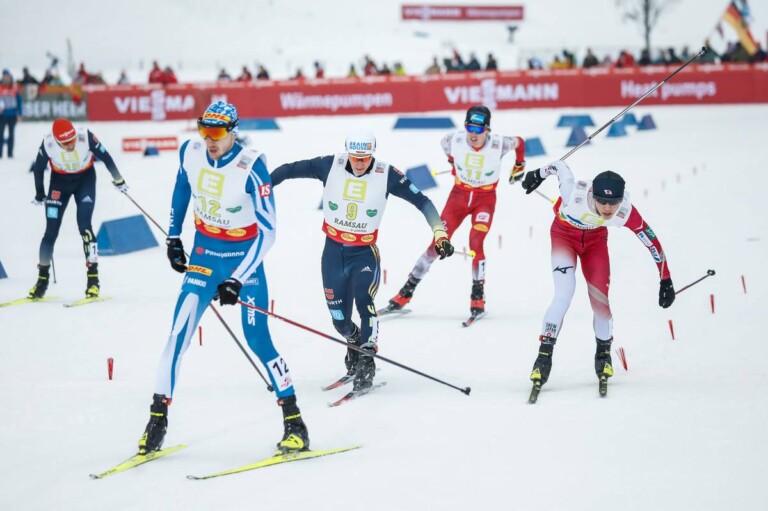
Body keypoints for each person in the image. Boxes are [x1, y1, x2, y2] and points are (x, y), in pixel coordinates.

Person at [137, 101, 310, 455]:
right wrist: (173, 236)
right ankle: (157, 421)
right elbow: (182, 188)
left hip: (244, 260)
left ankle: (295, 422)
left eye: (216, 133)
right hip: (204, 256)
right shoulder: (190, 152)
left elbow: (268, 232)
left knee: (258, 340)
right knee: (176, 337)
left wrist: (238, 279)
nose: (209, 140)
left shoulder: (253, 166)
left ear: (233, 132)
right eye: (204, 130)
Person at [270, 129, 454, 391]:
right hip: (333, 253)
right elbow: (289, 170)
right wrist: (264, 185)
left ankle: (367, 357)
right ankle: (354, 341)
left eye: (365, 158)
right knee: (340, 321)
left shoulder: (386, 173)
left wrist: (439, 233)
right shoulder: (330, 165)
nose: (359, 163)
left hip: (364, 253)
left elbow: (423, 201)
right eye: (355, 157)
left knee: (364, 301)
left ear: (372, 154)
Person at [520, 160, 675, 393]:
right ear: (593, 194)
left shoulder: (625, 212)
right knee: (563, 295)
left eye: (614, 202)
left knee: (600, 302)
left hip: (595, 243)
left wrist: (665, 279)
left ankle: (603, 354)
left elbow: (651, 241)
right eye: (602, 200)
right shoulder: (574, 193)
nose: (607, 208)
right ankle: (544, 357)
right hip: (564, 236)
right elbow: (560, 167)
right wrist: (537, 174)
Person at [385, 106, 526, 319]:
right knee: (437, 243)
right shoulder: (453, 139)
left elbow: (520, 142)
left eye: (479, 130)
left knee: (476, 242)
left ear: (487, 129)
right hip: (458, 197)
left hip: (485, 199)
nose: (473, 134)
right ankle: (406, 292)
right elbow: (446, 147)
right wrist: (453, 163)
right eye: (470, 128)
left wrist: (519, 165)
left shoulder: (500, 143)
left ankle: (477, 296)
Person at [28, 119, 127, 299]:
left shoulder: (85, 136)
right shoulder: (48, 143)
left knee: (85, 227)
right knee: (50, 232)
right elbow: (38, 168)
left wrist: (118, 179)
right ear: (57, 141)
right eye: (65, 143)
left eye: (72, 139)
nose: (71, 144)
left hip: (85, 181)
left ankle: (93, 281)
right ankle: (42, 281)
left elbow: (106, 156)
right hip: (59, 184)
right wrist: (40, 193)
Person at [0, 69, 22, 159]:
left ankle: (10, 154)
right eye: (4, 77)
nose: (6, 79)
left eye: (7, 77)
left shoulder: (15, 88)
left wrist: (19, 114)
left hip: (12, 115)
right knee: (0, 134)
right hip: (1, 116)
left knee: (11, 135)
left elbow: (19, 102)